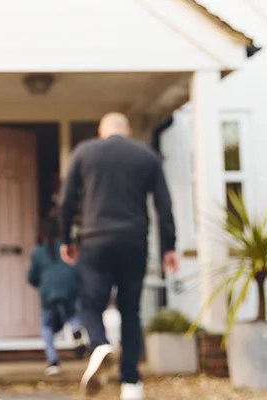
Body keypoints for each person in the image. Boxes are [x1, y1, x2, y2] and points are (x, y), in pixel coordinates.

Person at [59, 112, 178, 399]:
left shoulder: (84, 153)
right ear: (127, 130)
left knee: (90, 305)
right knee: (130, 311)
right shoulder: (146, 156)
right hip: (133, 242)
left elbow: (66, 200)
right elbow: (164, 204)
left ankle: (99, 345)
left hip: (95, 240)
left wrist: (66, 239)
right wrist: (169, 247)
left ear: (102, 131)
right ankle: (131, 383)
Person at [27, 217, 87, 376]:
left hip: (49, 293)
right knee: (71, 315)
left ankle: (53, 361)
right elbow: (78, 269)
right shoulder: (68, 248)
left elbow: (32, 278)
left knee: (47, 326)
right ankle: (75, 329)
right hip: (69, 289)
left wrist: (39, 282)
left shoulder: (38, 252)